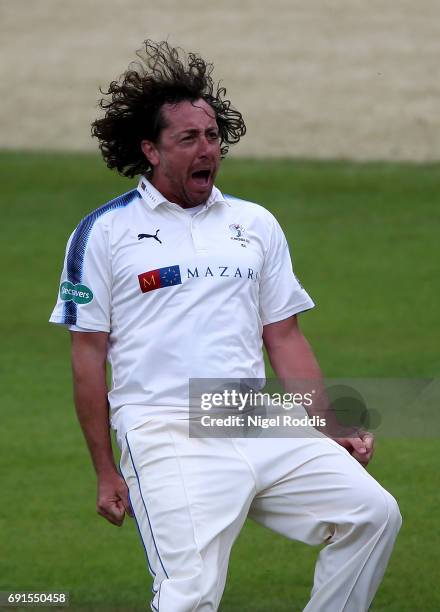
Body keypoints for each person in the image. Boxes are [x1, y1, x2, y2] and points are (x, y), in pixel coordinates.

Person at [50, 40, 401, 611]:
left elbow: (283, 337)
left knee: (373, 514)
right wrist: (105, 470)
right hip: (164, 428)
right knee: (190, 596)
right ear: (151, 149)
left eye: (212, 136)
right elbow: (87, 353)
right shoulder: (104, 233)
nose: (206, 149)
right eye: (188, 138)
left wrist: (329, 426)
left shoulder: (253, 224)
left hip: (249, 415)